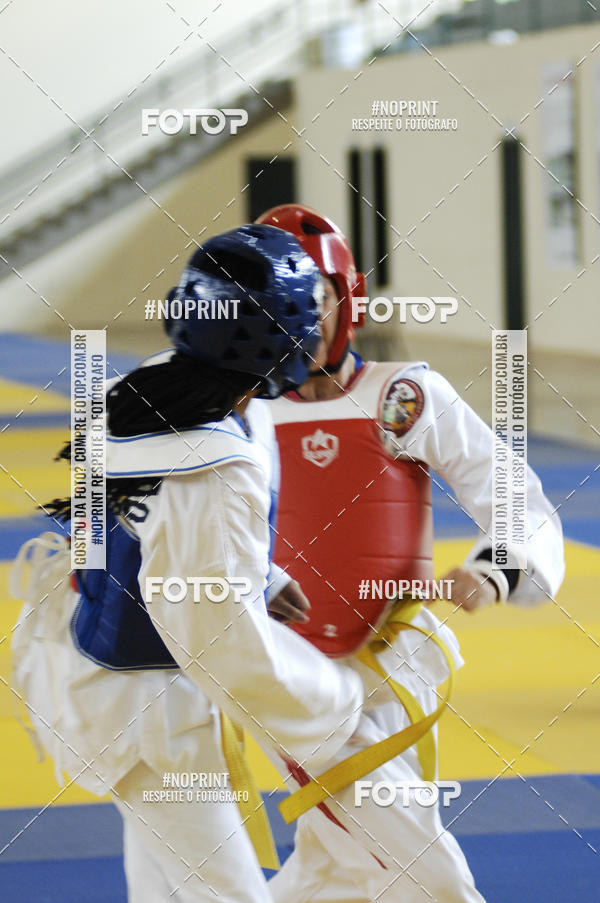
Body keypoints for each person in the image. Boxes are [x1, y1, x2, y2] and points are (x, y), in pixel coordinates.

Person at [10, 224, 365, 903]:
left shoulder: (134, 392)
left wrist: (255, 575)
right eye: (311, 311)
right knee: (229, 892)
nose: (326, 324)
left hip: (93, 667)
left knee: (162, 879)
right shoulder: (218, 465)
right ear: (280, 343)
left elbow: (119, 529)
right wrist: (330, 698)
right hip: (149, 710)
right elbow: (217, 636)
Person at [256, 204, 565, 903]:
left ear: (347, 298)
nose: (295, 318)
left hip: (397, 659)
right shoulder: (238, 416)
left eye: (314, 298)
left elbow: (512, 491)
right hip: (293, 672)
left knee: (338, 866)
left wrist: (497, 569)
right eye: (271, 301)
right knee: (423, 874)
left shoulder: (404, 396)